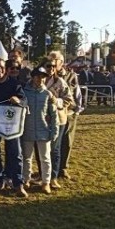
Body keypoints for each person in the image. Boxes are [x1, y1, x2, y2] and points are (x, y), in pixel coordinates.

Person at [0, 56, 28, 197]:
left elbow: (25, 101)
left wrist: (18, 100)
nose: (0, 70)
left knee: (16, 153)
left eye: (2, 67)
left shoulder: (14, 84)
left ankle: (18, 183)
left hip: (10, 124)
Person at [21, 67, 59, 194]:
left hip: (43, 131)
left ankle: (46, 182)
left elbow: (53, 115)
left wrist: (54, 131)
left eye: (43, 77)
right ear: (32, 77)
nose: (40, 79)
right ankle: (26, 179)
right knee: (26, 157)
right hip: (27, 130)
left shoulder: (47, 94)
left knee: (45, 158)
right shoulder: (25, 92)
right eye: (38, 76)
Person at [48, 51, 82, 181]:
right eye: (50, 59)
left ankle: (63, 168)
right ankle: (50, 170)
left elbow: (77, 94)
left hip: (68, 113)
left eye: (54, 59)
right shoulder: (46, 74)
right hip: (51, 115)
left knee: (66, 142)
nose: (52, 61)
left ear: (61, 62)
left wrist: (77, 110)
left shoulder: (71, 75)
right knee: (53, 144)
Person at [44, 58, 74, 190]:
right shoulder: (36, 81)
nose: (50, 68)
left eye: (53, 66)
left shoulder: (60, 82)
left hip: (58, 120)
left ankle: (53, 177)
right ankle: (43, 175)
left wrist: (56, 101)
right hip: (41, 119)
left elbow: (69, 100)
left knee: (55, 149)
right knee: (42, 149)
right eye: (48, 66)